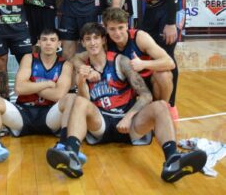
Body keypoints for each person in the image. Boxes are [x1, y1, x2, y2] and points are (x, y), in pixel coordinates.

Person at [46, 23, 207, 182]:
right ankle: (72, 155)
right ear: (82, 43)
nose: (92, 43)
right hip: (101, 123)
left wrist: (129, 117)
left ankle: (173, 159)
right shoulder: (83, 68)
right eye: (88, 39)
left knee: (160, 105)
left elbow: (146, 95)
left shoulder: (121, 61)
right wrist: (81, 81)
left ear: (103, 40)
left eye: (96, 38)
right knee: (79, 101)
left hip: (128, 123)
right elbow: (85, 103)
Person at [0, 29, 77, 167]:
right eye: (44, 40)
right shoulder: (29, 58)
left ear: (59, 44)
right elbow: (19, 88)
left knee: (71, 98)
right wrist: (47, 84)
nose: (48, 43)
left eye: (52, 40)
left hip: (50, 115)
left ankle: (64, 145)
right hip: (24, 113)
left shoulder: (66, 65)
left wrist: (31, 85)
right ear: (39, 42)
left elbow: (59, 95)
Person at [112, 0, 182, 112]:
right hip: (151, 7)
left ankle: (171, 105)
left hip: (170, 5)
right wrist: (112, 16)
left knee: (167, 54)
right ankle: (150, 99)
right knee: (144, 51)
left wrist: (170, 23)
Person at [102, 7, 175, 106]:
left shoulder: (140, 37)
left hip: (145, 80)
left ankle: (164, 107)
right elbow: (84, 57)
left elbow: (170, 63)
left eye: (120, 27)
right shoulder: (104, 42)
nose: (117, 33)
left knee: (164, 75)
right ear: (106, 29)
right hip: (122, 83)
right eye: (112, 29)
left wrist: (143, 64)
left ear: (127, 25)